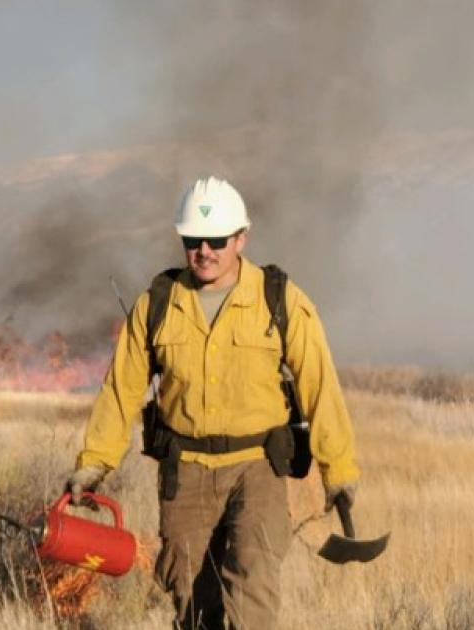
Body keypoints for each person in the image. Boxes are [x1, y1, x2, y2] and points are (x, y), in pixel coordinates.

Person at [65, 176, 360, 629]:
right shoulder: (159, 304)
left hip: (257, 465)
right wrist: (94, 462)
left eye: (217, 240)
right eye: (192, 240)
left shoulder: (278, 299)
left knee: (253, 580)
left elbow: (319, 384)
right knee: (191, 598)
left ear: (241, 238)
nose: (204, 250)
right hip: (186, 472)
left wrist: (338, 471)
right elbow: (121, 389)